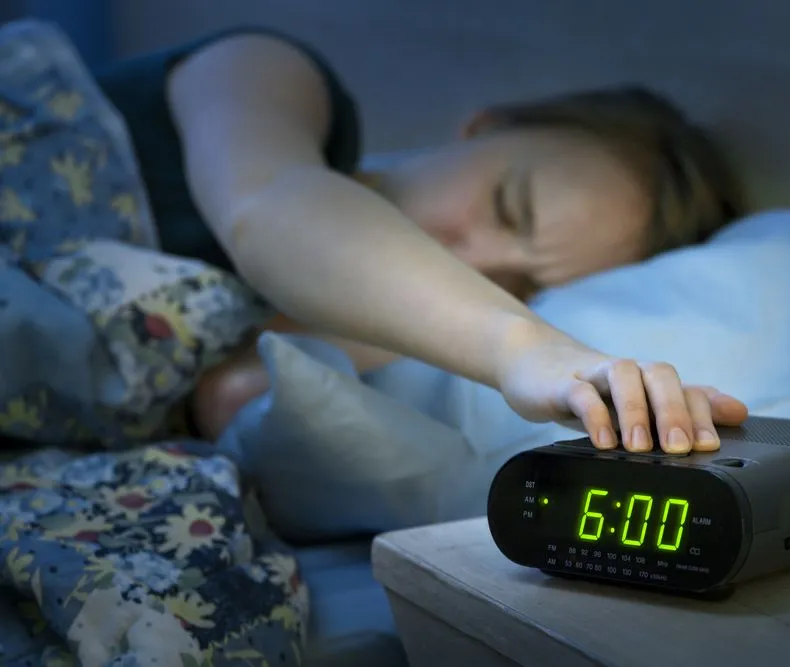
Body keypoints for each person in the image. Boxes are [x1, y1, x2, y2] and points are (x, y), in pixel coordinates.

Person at [93, 27, 750, 452]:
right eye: (507, 207)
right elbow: (265, 206)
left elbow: (226, 395)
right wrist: (524, 345)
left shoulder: (402, 334)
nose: (475, 259)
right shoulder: (268, 70)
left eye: (521, 288)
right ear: (486, 126)